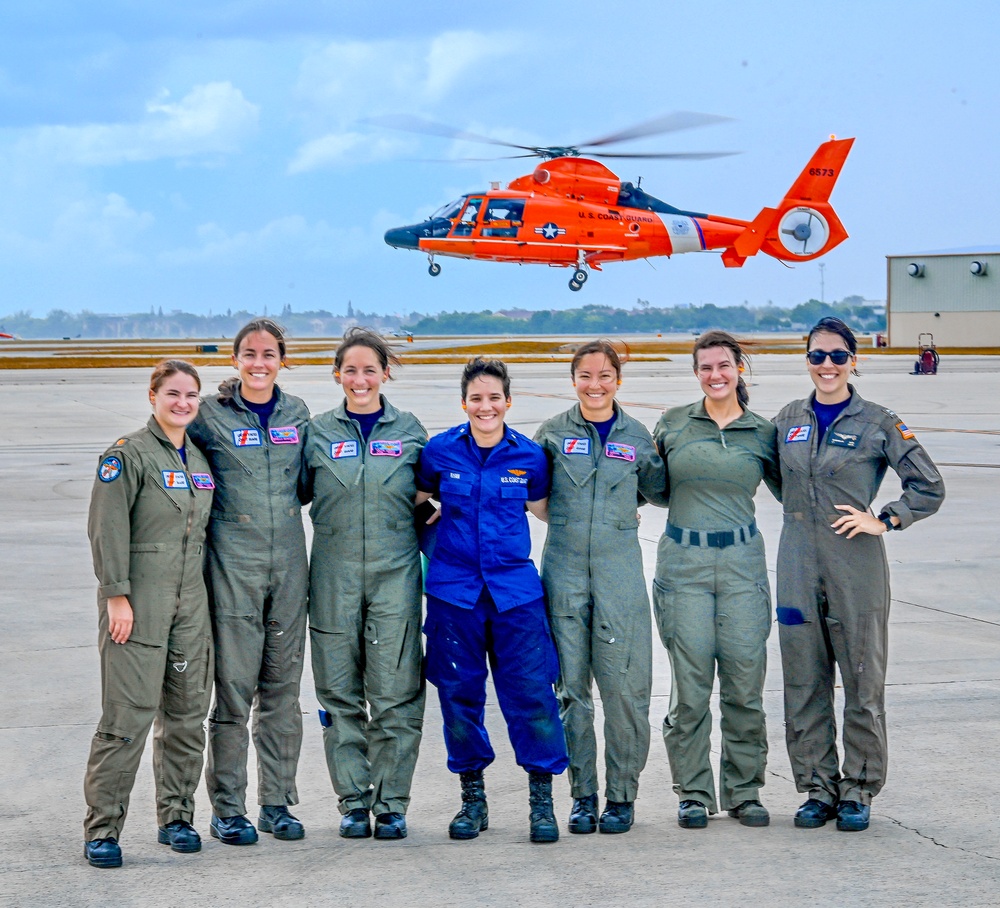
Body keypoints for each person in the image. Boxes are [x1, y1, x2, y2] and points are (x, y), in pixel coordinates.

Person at [774, 316, 944, 832]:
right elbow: (775, 480)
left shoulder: (878, 421)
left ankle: (858, 788)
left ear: (854, 361)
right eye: (817, 355)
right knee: (804, 680)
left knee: (862, 680)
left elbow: (928, 485)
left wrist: (885, 518)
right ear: (807, 360)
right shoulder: (786, 418)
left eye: (837, 356)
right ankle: (817, 788)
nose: (827, 365)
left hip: (856, 565)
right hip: (797, 562)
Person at [416, 357, 569, 843]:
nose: (486, 406)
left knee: (532, 697)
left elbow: (545, 511)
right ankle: (473, 801)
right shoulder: (439, 452)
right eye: (476, 398)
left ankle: (541, 803)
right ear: (464, 402)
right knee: (459, 698)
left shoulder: (530, 456)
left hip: (514, 596)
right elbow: (416, 503)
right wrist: (434, 539)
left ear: (508, 401)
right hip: (454, 596)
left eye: (494, 397)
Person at [83, 360, 215, 868]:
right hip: (137, 608)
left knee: (185, 719)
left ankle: (176, 818)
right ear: (152, 396)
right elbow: (107, 526)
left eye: (191, 395)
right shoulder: (127, 455)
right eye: (173, 393)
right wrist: (116, 595)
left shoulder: (200, 462)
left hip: (190, 609)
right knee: (126, 720)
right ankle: (103, 830)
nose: (182, 403)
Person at [533, 340, 666, 835]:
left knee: (624, 689)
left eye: (605, 375)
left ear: (618, 380)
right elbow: (535, 495)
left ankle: (622, 796)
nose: (595, 385)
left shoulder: (636, 435)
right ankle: (583, 795)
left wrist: (615, 517)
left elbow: (660, 489)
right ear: (574, 380)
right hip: (564, 570)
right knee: (571, 690)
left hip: (619, 573)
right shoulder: (552, 433)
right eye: (586, 376)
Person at [187, 318, 311, 845]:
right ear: (235, 360)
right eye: (249, 354)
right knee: (234, 694)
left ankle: (277, 804)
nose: (259, 363)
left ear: (282, 359)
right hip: (231, 568)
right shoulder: (208, 417)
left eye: (268, 354)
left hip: (288, 566)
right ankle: (228, 809)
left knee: (282, 693)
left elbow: (307, 484)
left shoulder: (298, 413)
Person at [651, 331, 781, 830]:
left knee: (745, 682)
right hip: (684, 564)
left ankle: (744, 790)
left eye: (724, 365)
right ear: (696, 373)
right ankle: (693, 791)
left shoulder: (762, 432)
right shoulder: (674, 423)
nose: (715, 375)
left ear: (739, 369)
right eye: (705, 367)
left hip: (743, 564)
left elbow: (795, 490)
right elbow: (653, 486)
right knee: (690, 684)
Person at [304, 328, 429, 841]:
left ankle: (392, 802)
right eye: (350, 370)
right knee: (339, 694)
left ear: (385, 373)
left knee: (396, 693)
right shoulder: (314, 433)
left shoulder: (411, 431)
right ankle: (354, 801)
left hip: (394, 578)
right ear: (338, 375)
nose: (360, 379)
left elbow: (431, 500)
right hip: (332, 578)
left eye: (369, 369)